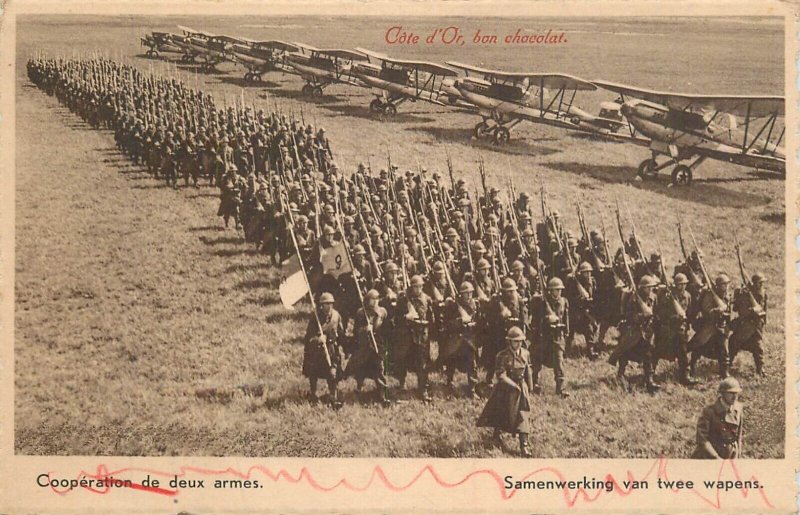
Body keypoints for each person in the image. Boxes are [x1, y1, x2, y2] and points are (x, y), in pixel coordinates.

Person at [477, 326, 534, 457]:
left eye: (520, 341)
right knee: (501, 413)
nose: (518, 343)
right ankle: (496, 435)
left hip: (521, 389)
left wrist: (529, 388)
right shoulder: (502, 355)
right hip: (505, 389)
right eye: (515, 341)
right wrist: (513, 385)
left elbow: (528, 371)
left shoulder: (525, 353)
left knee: (522, 415)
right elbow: (500, 375)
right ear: (509, 342)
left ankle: (524, 445)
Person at [302, 292, 345, 408]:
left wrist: (339, 343)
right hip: (317, 351)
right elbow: (308, 337)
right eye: (326, 304)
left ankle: (333, 396)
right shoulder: (315, 317)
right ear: (321, 305)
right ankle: (313, 393)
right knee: (313, 372)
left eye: (330, 303)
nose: (329, 306)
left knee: (332, 373)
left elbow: (341, 333)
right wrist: (318, 339)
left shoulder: (336, 316)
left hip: (331, 350)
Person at [531, 277, 570, 398]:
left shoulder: (563, 302)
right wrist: (547, 319)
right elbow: (536, 321)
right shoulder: (543, 303)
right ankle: (534, 383)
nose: (558, 292)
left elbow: (566, 318)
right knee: (537, 360)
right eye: (555, 290)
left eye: (559, 290)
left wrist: (566, 331)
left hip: (558, 337)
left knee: (559, 363)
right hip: (545, 337)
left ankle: (561, 388)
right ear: (550, 291)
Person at [691, 377, 744, 459]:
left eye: (736, 393)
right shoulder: (709, 412)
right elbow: (702, 440)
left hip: (730, 455)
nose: (734, 397)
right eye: (731, 393)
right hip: (710, 456)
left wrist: (738, 455)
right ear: (722, 394)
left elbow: (738, 436)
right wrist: (716, 457)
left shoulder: (738, 409)